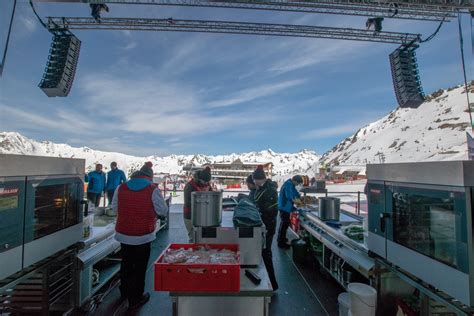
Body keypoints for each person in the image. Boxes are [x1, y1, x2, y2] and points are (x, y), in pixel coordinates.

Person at [112, 162, 168, 311]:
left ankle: (124, 292)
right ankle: (135, 298)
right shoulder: (152, 189)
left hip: (124, 234)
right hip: (143, 235)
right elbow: (163, 210)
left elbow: (114, 208)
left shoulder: (121, 187)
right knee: (140, 267)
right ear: (149, 176)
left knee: (126, 263)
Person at [253, 165, 279, 291]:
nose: (254, 182)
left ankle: (273, 285)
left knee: (266, 253)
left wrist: (259, 210)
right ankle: (265, 282)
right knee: (263, 252)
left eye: (255, 180)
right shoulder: (261, 188)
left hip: (268, 226)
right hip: (263, 225)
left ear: (259, 179)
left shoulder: (270, 190)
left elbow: (272, 210)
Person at [183, 167, 212, 241]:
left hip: (203, 215)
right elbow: (188, 202)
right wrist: (202, 205)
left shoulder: (207, 185)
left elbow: (211, 196)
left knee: (203, 237)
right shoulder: (189, 186)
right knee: (193, 237)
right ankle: (192, 250)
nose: (205, 184)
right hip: (190, 215)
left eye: (207, 182)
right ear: (199, 178)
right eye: (204, 181)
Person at [277, 175, 304, 249]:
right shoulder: (288, 185)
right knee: (284, 225)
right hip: (284, 207)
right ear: (295, 180)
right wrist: (298, 203)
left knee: (285, 224)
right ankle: (281, 243)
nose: (297, 185)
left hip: (286, 207)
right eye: (297, 183)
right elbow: (289, 196)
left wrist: (300, 197)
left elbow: (295, 193)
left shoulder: (291, 184)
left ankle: (282, 239)